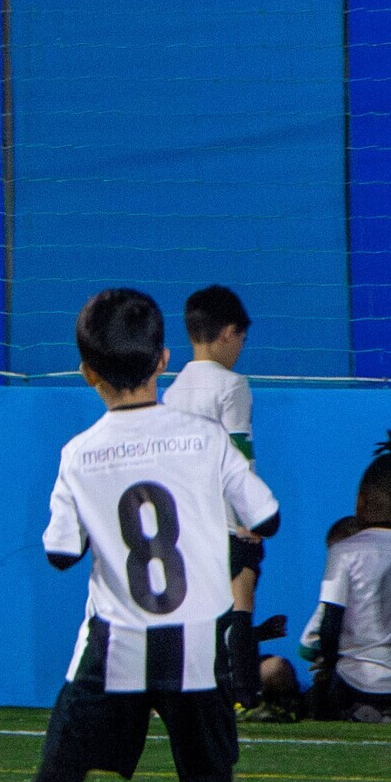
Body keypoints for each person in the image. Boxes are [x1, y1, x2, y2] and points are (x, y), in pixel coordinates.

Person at [0, 287, 281, 782]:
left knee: (57, 778)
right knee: (210, 778)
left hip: (115, 643)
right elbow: (265, 515)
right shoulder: (206, 438)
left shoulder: (79, 452)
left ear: (86, 372)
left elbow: (61, 551)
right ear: (163, 359)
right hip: (196, 639)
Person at [161, 286, 265, 705]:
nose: (240, 348)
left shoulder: (173, 391)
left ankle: (190, 689)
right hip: (226, 518)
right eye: (241, 338)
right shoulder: (232, 384)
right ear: (227, 333)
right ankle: (243, 693)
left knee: (196, 612)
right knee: (240, 602)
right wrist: (250, 513)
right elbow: (239, 451)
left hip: (187, 522)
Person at [297, 435, 391, 722]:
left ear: (360, 501)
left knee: (316, 697)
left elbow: (331, 621)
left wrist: (328, 666)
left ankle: (360, 708)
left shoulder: (344, 551)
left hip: (359, 682)